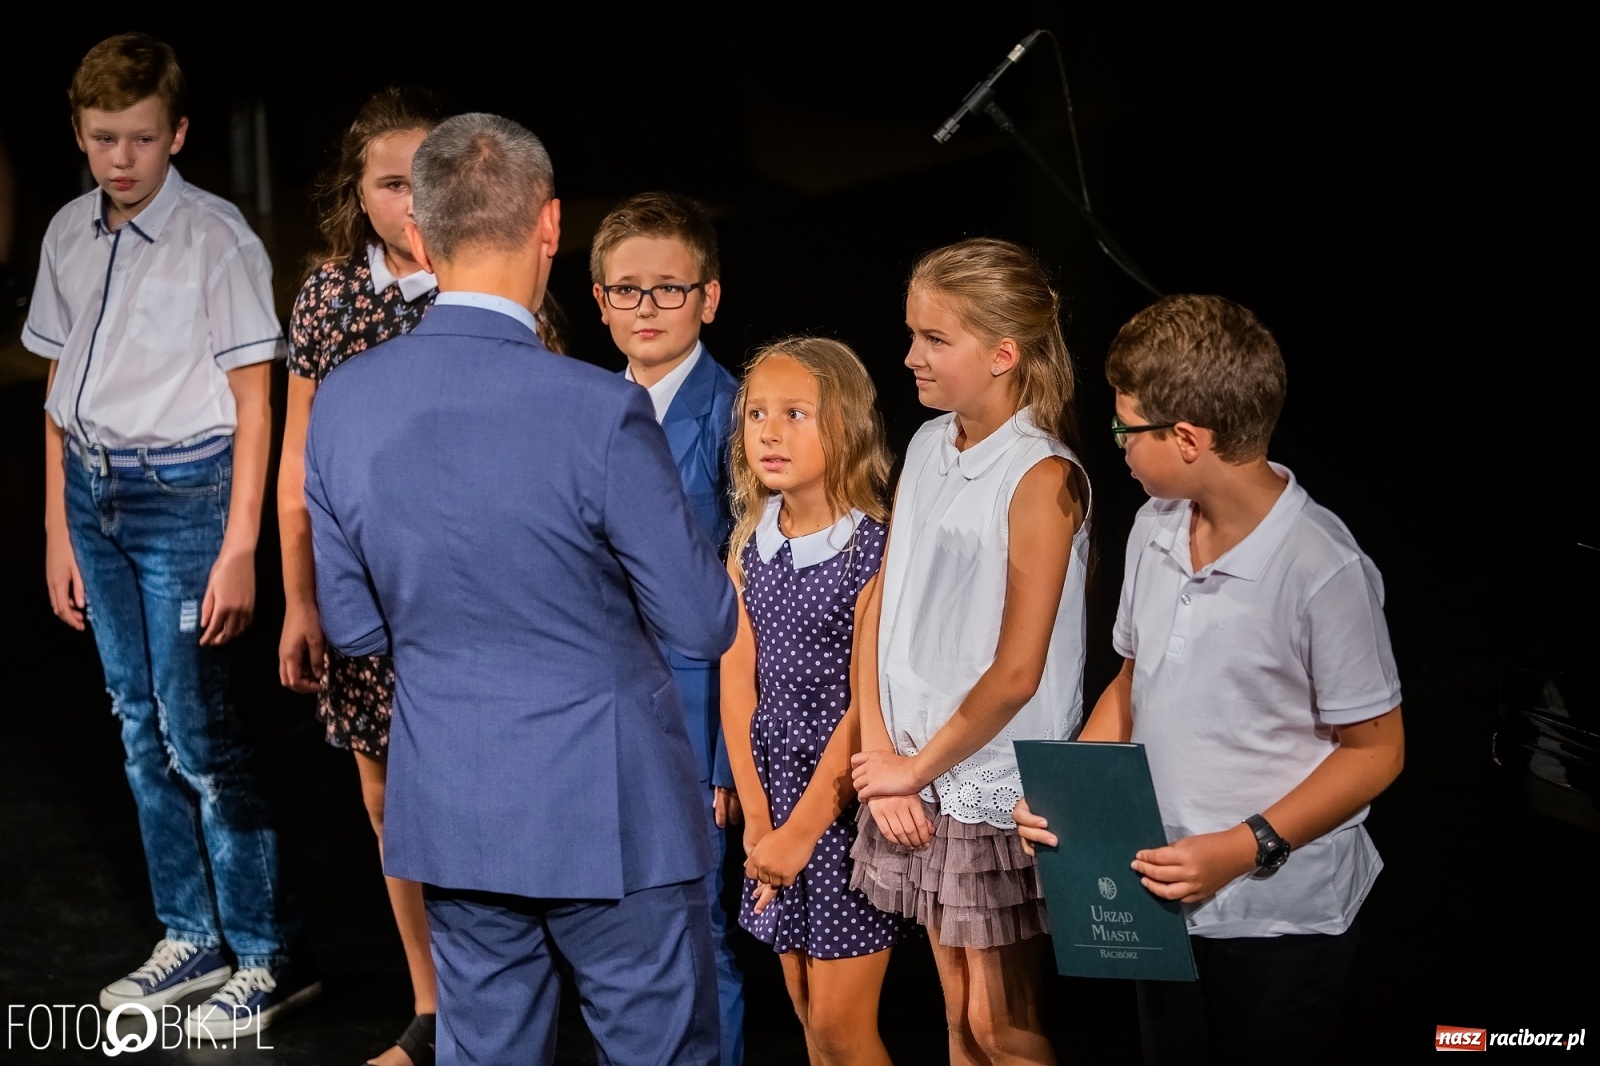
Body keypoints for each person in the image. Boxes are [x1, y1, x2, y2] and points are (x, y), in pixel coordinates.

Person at [302, 113, 737, 1065]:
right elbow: (703, 623)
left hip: (454, 807)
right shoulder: (602, 410)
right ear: (550, 226)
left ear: (418, 233)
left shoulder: (342, 402)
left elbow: (354, 627)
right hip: (613, 814)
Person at [1014, 294, 1405, 1064]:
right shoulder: (1157, 524)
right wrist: (1073, 797)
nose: (1118, 443)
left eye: (1128, 427)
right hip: (1166, 905)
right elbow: (1133, 681)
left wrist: (1243, 845)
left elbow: (1376, 752)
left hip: (1281, 923)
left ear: (1188, 438)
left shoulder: (1322, 569)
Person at [23, 33, 316, 1036]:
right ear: (79, 133)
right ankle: (189, 931)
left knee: (200, 735)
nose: (122, 159)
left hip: (183, 498)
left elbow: (254, 399)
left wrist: (241, 546)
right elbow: (59, 397)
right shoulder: (69, 231)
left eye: (142, 139)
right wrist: (59, 527)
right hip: (96, 497)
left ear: (177, 134)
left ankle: (266, 952)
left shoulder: (216, 236)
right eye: (104, 138)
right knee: (136, 727)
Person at [848, 238, 1090, 1065]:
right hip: (919, 770)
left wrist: (914, 769)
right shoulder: (927, 445)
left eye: (935, 340)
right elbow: (883, 599)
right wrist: (881, 746)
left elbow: (1019, 671)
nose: (911, 357)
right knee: (956, 1022)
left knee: (1001, 1025)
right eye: (913, 334)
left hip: (988, 780)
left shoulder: (1040, 476)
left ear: (1004, 352)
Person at [279, 86, 443, 1066]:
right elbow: (298, 463)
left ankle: (498, 999)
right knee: (388, 803)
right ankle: (431, 1009)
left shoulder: (494, 286)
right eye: (390, 182)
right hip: (361, 600)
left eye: (428, 178)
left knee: (467, 795)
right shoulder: (330, 300)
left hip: (465, 599)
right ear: (360, 193)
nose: (412, 200)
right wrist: (299, 597)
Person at [590, 190, 745, 1063]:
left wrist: (726, 754)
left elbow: (743, 601)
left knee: (696, 933)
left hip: (690, 725)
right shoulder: (581, 406)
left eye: (668, 289)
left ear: (708, 298)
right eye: (626, 291)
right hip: (597, 715)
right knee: (618, 937)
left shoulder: (735, 416)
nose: (645, 309)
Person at [721, 338, 901, 1065]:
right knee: (804, 1013)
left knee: (839, 1027)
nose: (770, 431)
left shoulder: (872, 552)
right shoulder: (748, 545)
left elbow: (865, 706)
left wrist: (799, 831)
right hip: (775, 797)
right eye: (758, 413)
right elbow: (738, 685)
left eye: (797, 414)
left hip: (840, 806)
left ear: (848, 428)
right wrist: (760, 821)